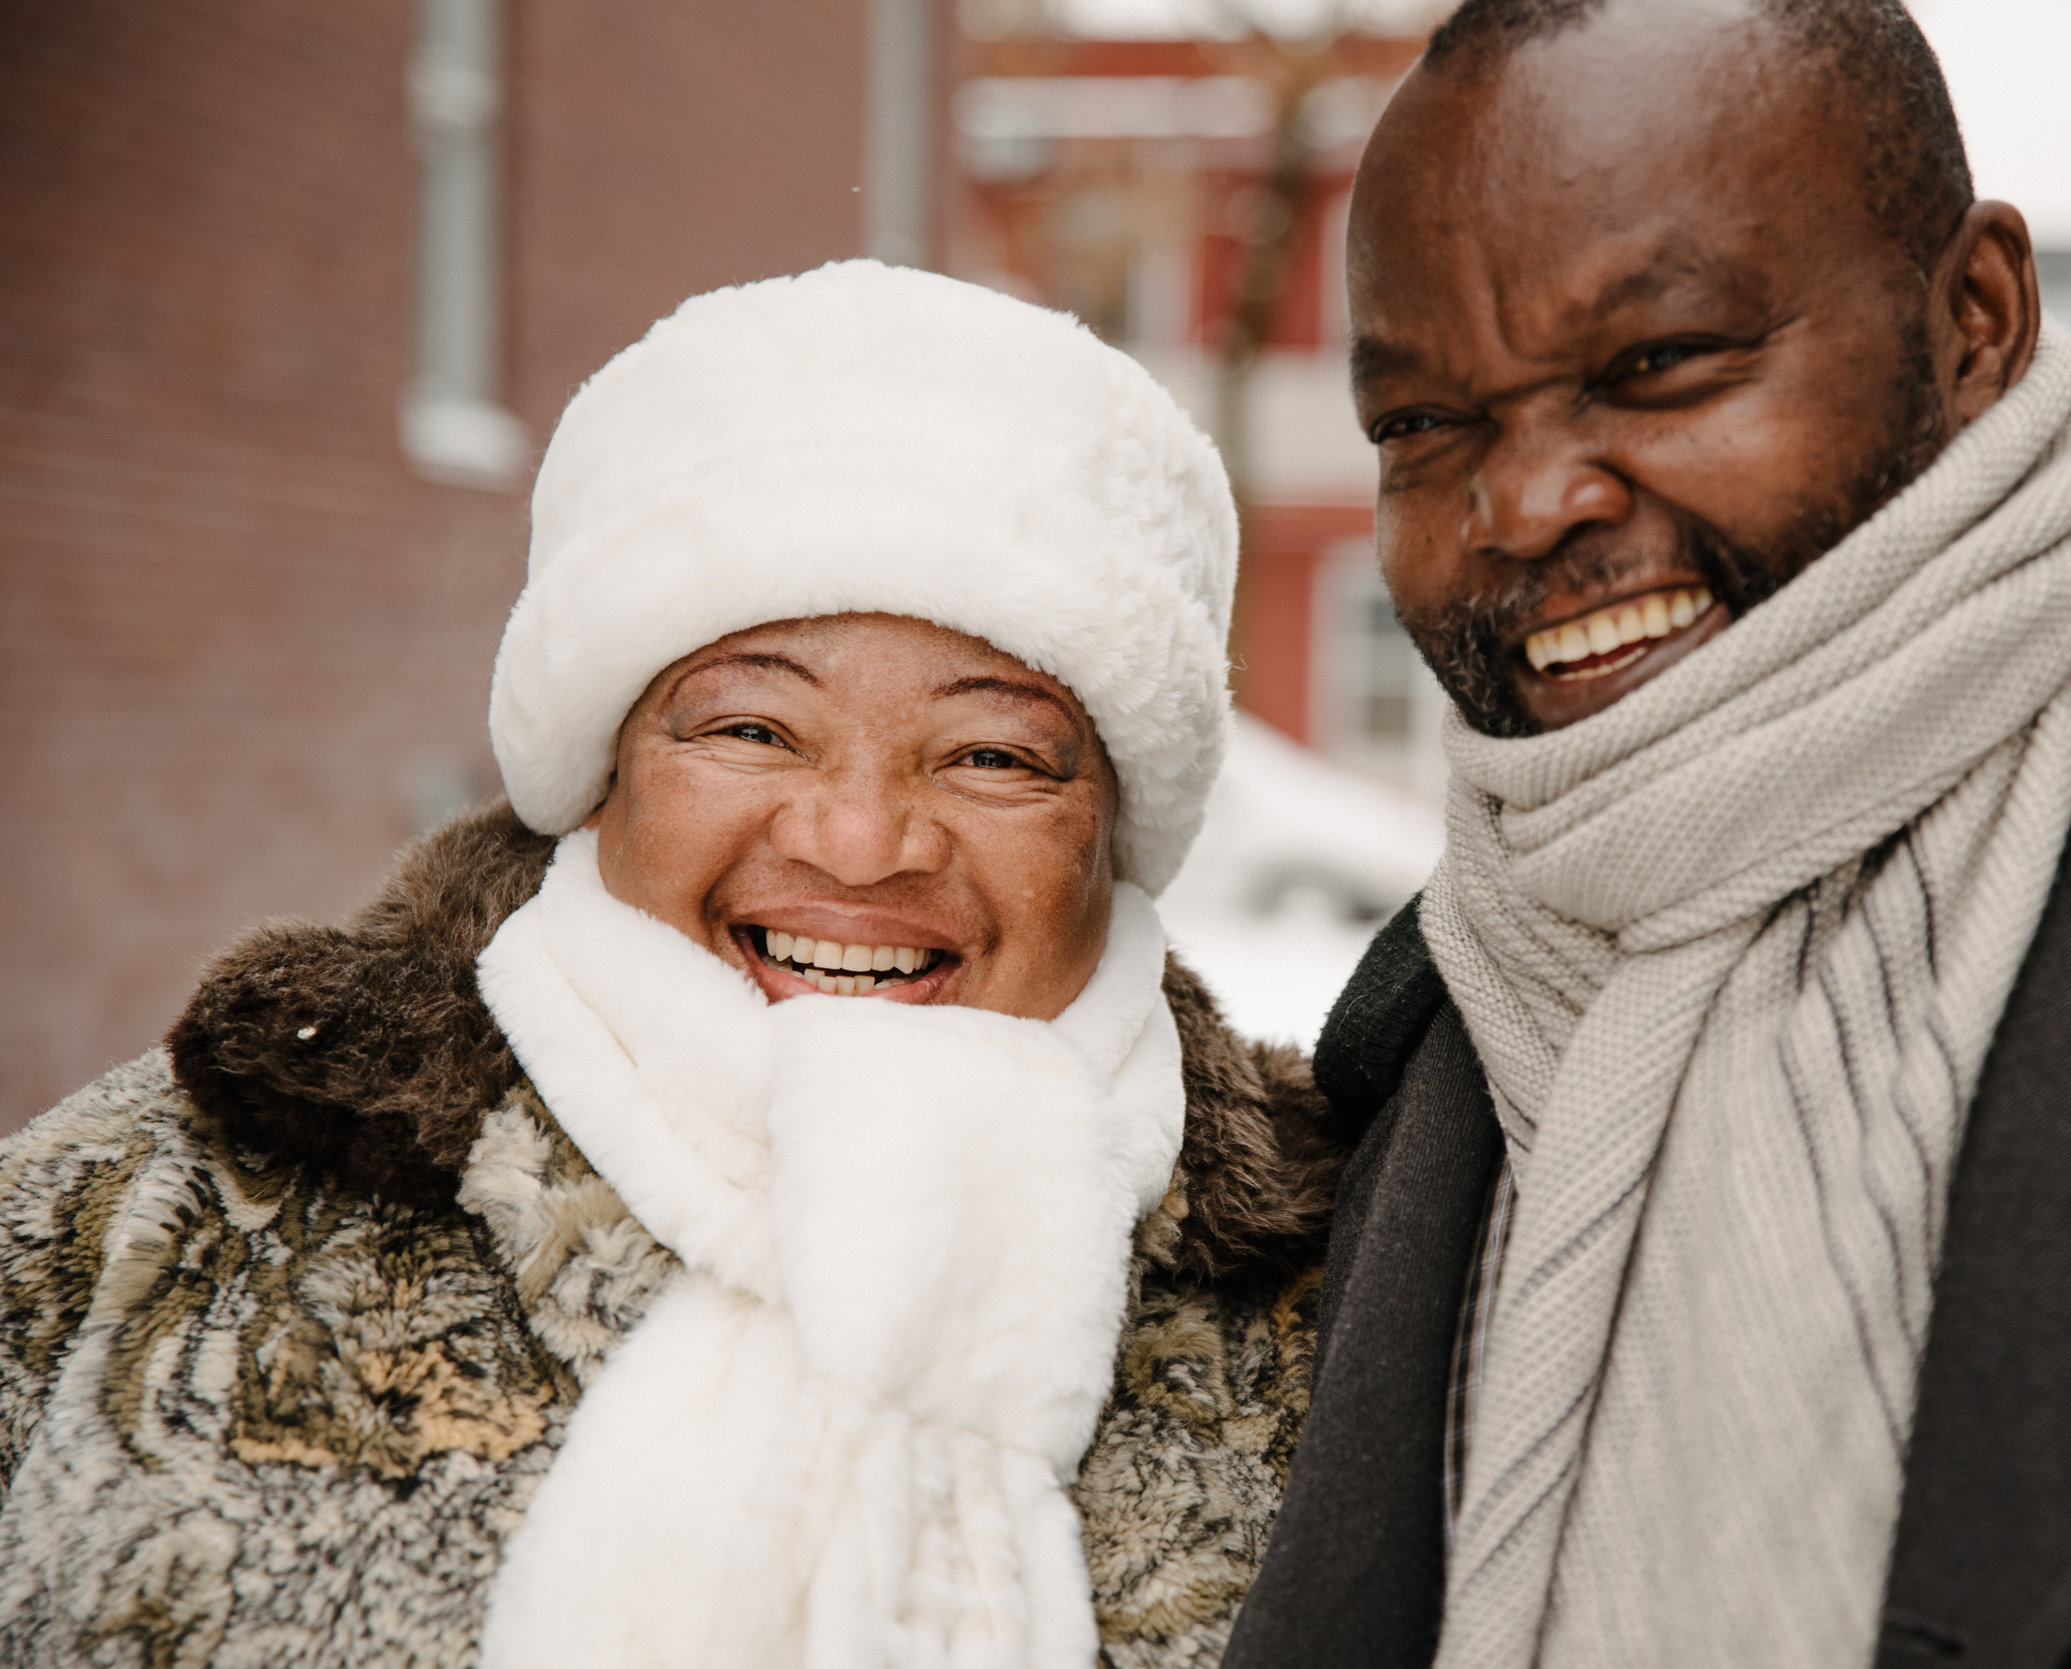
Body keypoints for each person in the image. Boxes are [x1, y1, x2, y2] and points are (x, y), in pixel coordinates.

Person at [1222, 3, 2071, 1667]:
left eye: (1656, 363)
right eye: (1423, 426)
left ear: (1973, 322)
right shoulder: (1425, 1031)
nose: (1524, 503)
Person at [0, 262, 1340, 1669]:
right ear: (599, 773)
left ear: (1114, 821)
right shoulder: (155, 1219)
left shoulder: (1360, 1312)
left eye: (992, 755)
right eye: (754, 728)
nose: (863, 839)